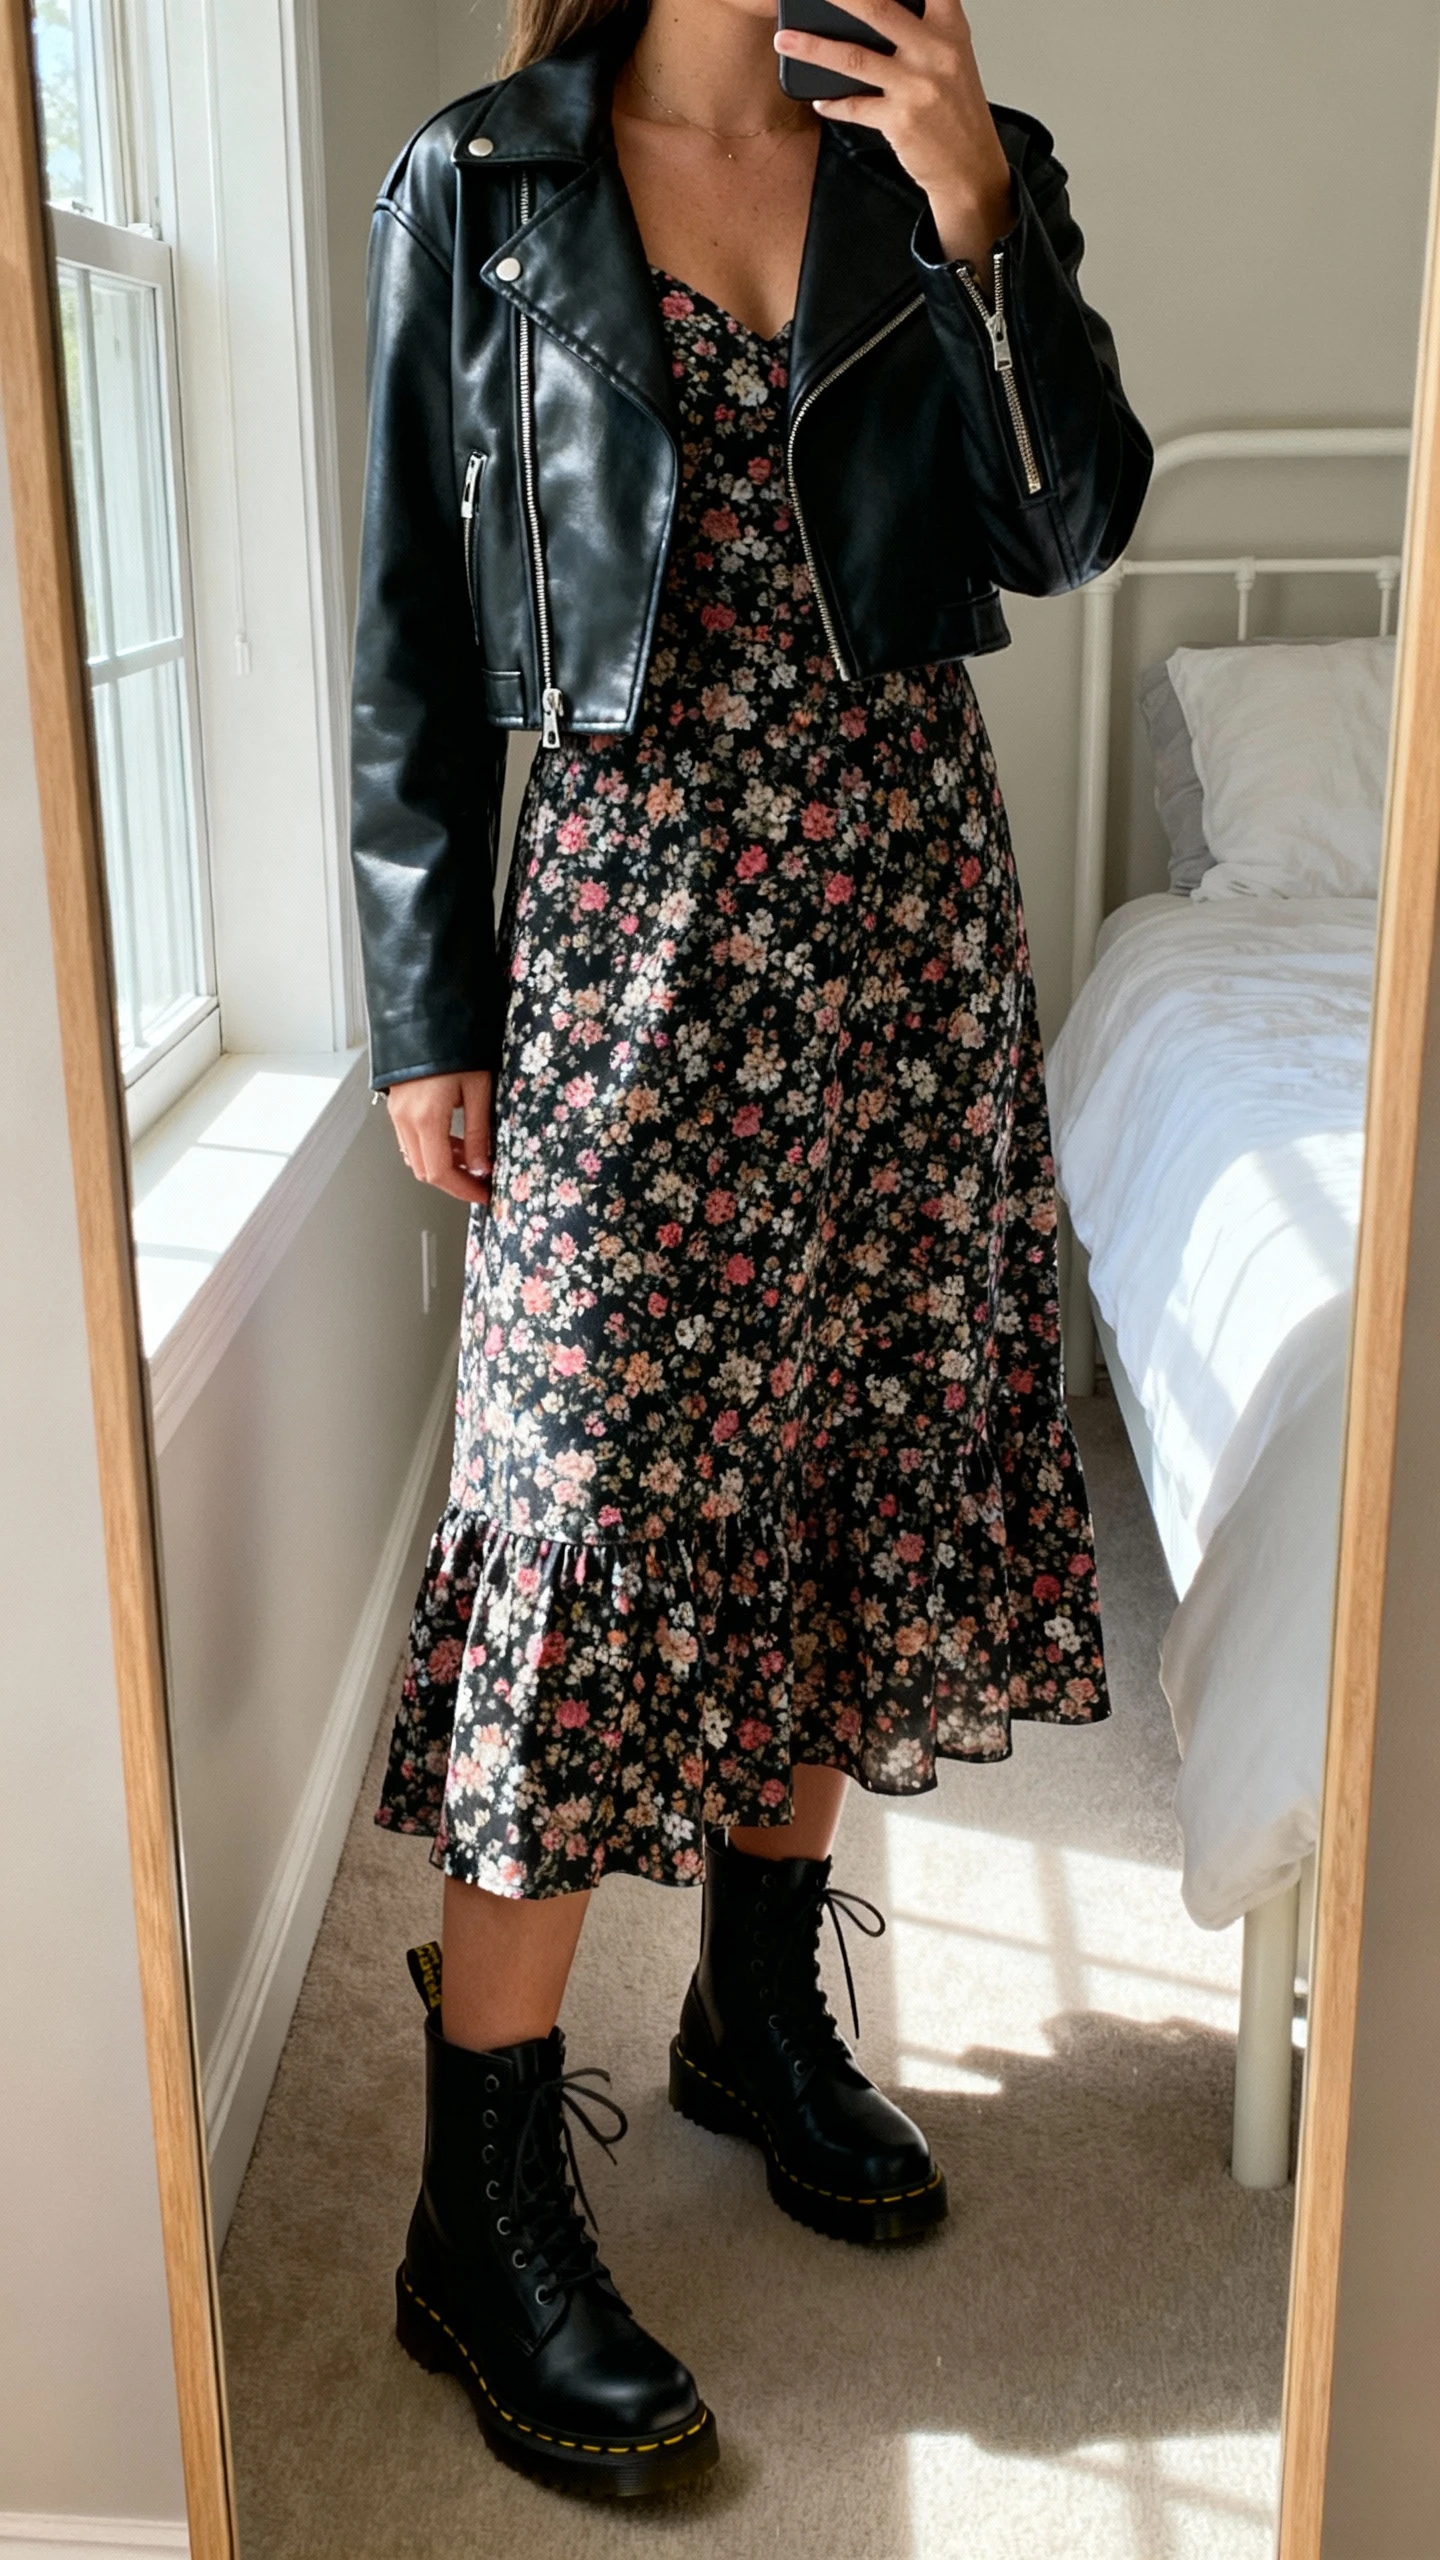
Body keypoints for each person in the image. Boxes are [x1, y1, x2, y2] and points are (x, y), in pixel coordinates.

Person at [350, 0, 1149, 2499]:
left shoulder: (952, 158)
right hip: (625, 929)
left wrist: (984, 218)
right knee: (582, 1516)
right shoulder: (483, 184)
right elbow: (405, 617)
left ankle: (756, 2012)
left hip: (903, 913)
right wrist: (422, 1004)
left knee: (834, 1457)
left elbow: (1071, 530)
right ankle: (475, 2208)